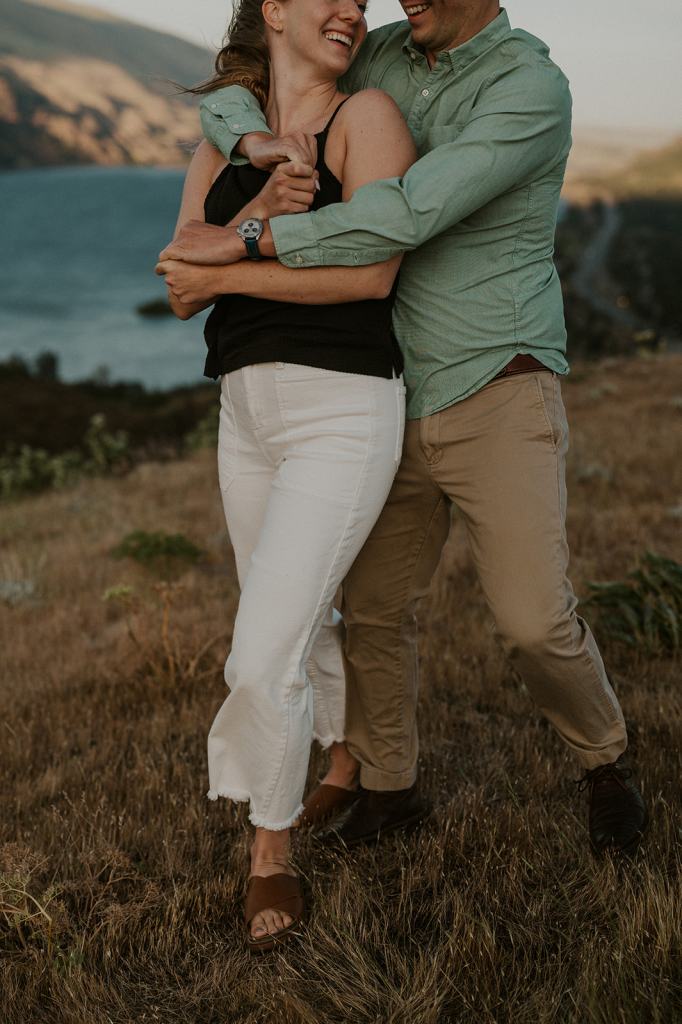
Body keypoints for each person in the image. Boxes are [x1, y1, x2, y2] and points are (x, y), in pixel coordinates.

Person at [162, 1, 648, 857]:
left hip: (494, 379)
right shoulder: (381, 52)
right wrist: (253, 142)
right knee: (377, 612)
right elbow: (245, 86)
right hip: (389, 391)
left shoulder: (528, 88)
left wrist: (248, 240)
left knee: (534, 617)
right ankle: (388, 786)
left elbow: (410, 215)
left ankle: (603, 758)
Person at [157, 0, 416, 950]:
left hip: (342, 408)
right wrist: (257, 213)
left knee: (261, 648)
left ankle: (270, 853)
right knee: (302, 619)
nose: (352, 9)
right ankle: (343, 754)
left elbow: (373, 272)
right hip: (246, 411)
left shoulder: (366, 119)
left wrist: (225, 267)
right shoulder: (224, 143)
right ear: (274, 9)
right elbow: (175, 276)